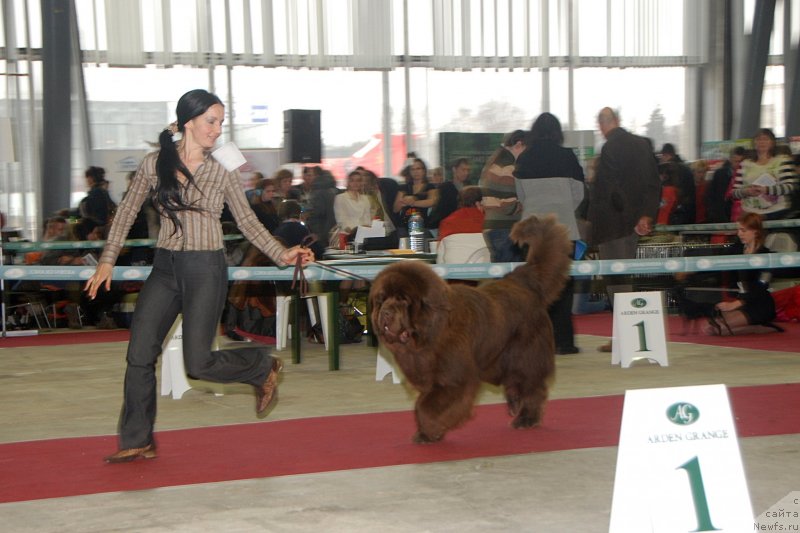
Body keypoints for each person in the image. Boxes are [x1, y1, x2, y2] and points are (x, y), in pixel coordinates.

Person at [84, 89, 313, 463]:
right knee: (139, 354)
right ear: (188, 121)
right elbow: (125, 212)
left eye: (221, 122)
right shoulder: (154, 163)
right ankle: (136, 438)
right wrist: (107, 260)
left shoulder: (222, 167)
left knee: (198, 363)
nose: (217, 130)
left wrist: (282, 253)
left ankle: (261, 366)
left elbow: (248, 221)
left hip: (206, 268)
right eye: (211, 121)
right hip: (165, 268)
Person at [588, 107, 661, 352]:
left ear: (601, 125)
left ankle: (623, 338)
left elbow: (609, 190)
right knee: (626, 277)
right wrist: (645, 216)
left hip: (612, 224)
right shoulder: (643, 145)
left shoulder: (609, 149)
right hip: (635, 224)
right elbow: (654, 184)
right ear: (618, 120)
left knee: (616, 280)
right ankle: (628, 336)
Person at [514, 112, 585, 355]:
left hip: (532, 231)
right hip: (563, 230)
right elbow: (579, 193)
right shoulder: (567, 157)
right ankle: (563, 341)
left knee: (534, 288)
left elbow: (521, 196)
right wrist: (563, 210)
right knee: (563, 286)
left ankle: (535, 342)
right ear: (557, 133)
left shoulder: (524, 158)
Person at [703, 213, 780, 336]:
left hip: (760, 305)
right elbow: (719, 259)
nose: (739, 234)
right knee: (710, 325)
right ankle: (752, 326)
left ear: (755, 232)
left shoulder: (766, 256)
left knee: (719, 329)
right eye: (738, 230)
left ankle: (758, 328)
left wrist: (735, 304)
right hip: (743, 301)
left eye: (743, 230)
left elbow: (761, 287)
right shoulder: (737, 249)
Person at [731, 128, 798, 220]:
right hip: (750, 213)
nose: (762, 142)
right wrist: (746, 191)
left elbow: (789, 187)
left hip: (778, 212)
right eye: (758, 139)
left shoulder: (783, 161)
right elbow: (734, 193)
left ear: (772, 142)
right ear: (754, 143)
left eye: (766, 139)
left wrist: (767, 190)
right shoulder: (744, 164)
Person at [479, 129, 526, 262]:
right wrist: (526, 206)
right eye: (525, 149)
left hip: (493, 227)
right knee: (510, 278)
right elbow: (508, 205)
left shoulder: (495, 162)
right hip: (505, 228)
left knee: (500, 276)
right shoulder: (507, 167)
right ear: (518, 145)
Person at [394, 157, 438, 237]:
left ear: (424, 170)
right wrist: (404, 201)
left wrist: (413, 202)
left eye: (418, 168)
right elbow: (396, 208)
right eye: (412, 169)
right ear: (409, 172)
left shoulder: (430, 187)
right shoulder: (403, 187)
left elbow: (431, 201)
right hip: (403, 226)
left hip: (422, 226)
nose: (416, 172)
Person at [427, 158, 471, 233]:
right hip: (448, 226)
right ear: (454, 169)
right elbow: (442, 210)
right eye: (463, 170)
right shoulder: (445, 188)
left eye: (468, 170)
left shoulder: (469, 188)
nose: (466, 173)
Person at [705, 146, 746, 224]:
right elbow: (711, 196)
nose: (738, 164)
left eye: (740, 161)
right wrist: (713, 214)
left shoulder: (749, 175)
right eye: (735, 161)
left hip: (742, 215)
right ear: (730, 159)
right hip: (721, 216)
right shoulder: (719, 174)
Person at [658, 143, 696, 224]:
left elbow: (670, 196)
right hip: (688, 210)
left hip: (675, 213)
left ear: (666, 155)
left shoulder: (670, 169)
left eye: (662, 156)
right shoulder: (686, 167)